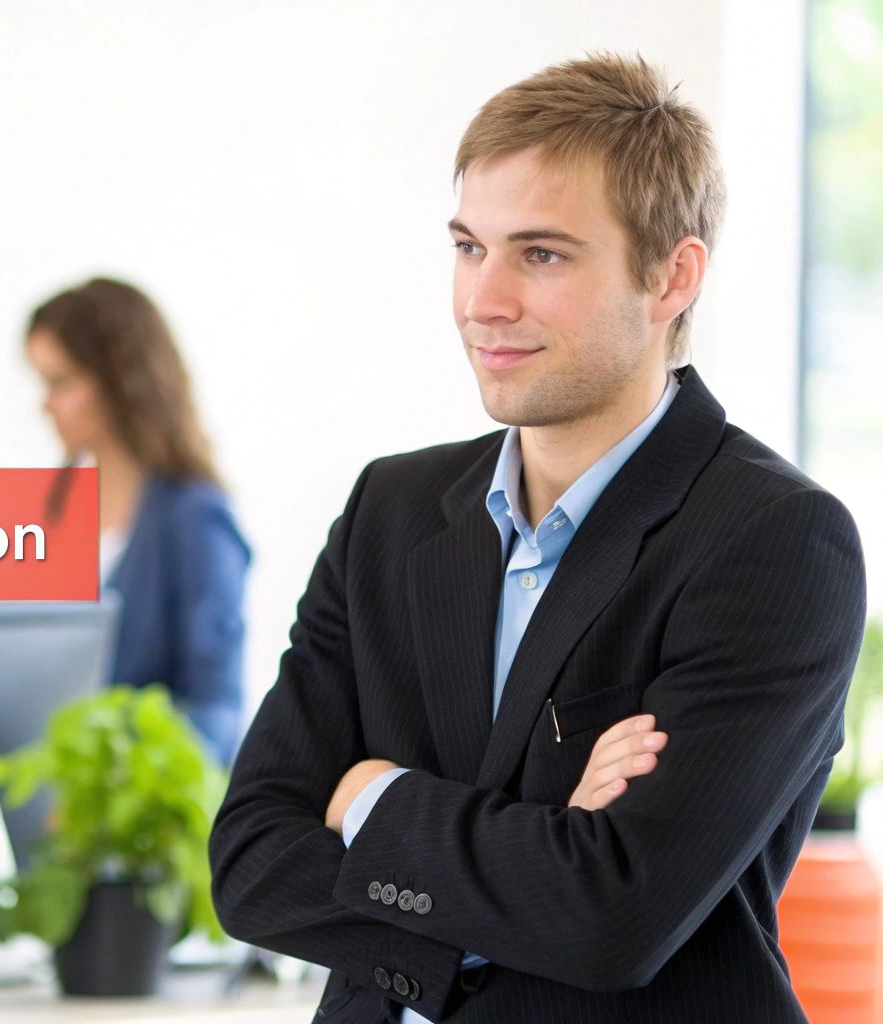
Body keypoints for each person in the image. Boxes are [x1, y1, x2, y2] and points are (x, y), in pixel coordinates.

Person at [209, 54, 867, 1023]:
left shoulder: (772, 540)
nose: (484, 301)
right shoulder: (390, 511)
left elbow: (612, 917)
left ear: (671, 275)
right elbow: (251, 863)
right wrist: (544, 847)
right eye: (468, 247)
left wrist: (372, 799)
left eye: (541, 255)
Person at [25, 278, 251, 764]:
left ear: (118, 382)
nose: (44, 404)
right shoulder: (52, 522)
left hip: (144, 803)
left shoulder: (195, 519)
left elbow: (215, 706)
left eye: (59, 383)